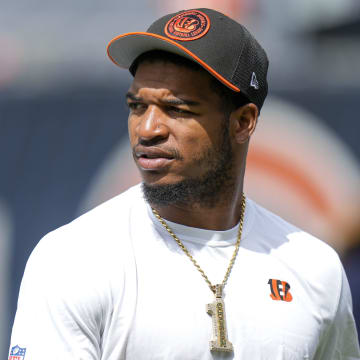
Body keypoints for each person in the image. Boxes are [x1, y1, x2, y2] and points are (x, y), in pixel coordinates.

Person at [9, 8, 360, 360]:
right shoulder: (73, 259)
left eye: (177, 109)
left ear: (243, 122)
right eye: (137, 106)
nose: (148, 129)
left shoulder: (315, 270)